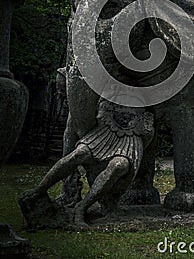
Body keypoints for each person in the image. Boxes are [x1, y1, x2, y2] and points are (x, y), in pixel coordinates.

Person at [20, 97, 154, 228]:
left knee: (119, 165)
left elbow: (148, 134)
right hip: (105, 131)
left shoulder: (145, 89)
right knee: (77, 155)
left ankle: (82, 208)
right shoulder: (109, 85)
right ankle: (38, 191)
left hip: (131, 138)